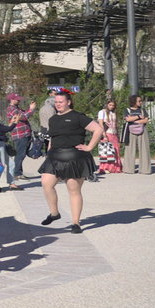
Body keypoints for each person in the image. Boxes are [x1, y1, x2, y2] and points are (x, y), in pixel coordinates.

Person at [39, 89, 103, 234]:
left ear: (68, 102)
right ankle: (54, 213)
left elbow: (98, 129)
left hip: (74, 157)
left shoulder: (78, 117)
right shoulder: (53, 119)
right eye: (56, 102)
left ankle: (75, 223)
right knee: (46, 184)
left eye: (61, 102)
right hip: (55, 156)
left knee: (73, 190)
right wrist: (49, 152)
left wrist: (89, 147)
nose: (58, 104)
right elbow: (53, 137)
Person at [6, 93, 37, 182]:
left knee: (21, 154)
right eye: (16, 99)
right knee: (20, 154)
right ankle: (17, 174)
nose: (18, 100)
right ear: (11, 100)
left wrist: (29, 109)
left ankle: (18, 173)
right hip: (20, 135)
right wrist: (31, 109)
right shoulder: (11, 109)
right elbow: (23, 117)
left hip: (24, 134)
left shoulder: (16, 109)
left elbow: (24, 114)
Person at [121, 94, 151, 174]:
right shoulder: (127, 110)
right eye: (139, 101)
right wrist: (138, 117)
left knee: (144, 149)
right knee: (129, 149)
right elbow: (128, 119)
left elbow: (146, 120)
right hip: (130, 131)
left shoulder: (143, 110)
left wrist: (133, 120)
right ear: (134, 101)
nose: (141, 102)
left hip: (142, 130)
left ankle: (145, 169)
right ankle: (128, 169)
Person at [97, 100, 122, 174]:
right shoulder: (102, 112)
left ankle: (115, 167)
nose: (111, 107)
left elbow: (115, 125)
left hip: (114, 133)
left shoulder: (114, 113)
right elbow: (101, 124)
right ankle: (105, 167)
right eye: (110, 105)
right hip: (107, 133)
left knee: (115, 150)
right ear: (107, 105)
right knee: (107, 151)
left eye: (113, 105)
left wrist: (117, 135)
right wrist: (104, 135)